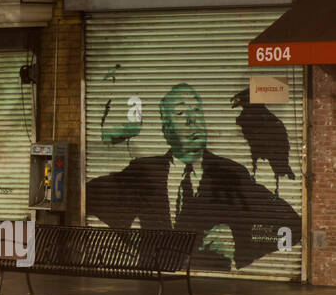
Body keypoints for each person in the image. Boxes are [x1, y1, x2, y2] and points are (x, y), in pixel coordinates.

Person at [86, 82, 301, 270]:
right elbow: (88, 196)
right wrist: (125, 228)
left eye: (197, 111)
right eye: (181, 114)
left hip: (208, 287)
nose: (192, 120)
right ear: (166, 130)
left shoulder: (230, 175)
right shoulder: (143, 171)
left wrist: (239, 240)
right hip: (152, 283)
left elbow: (291, 226)